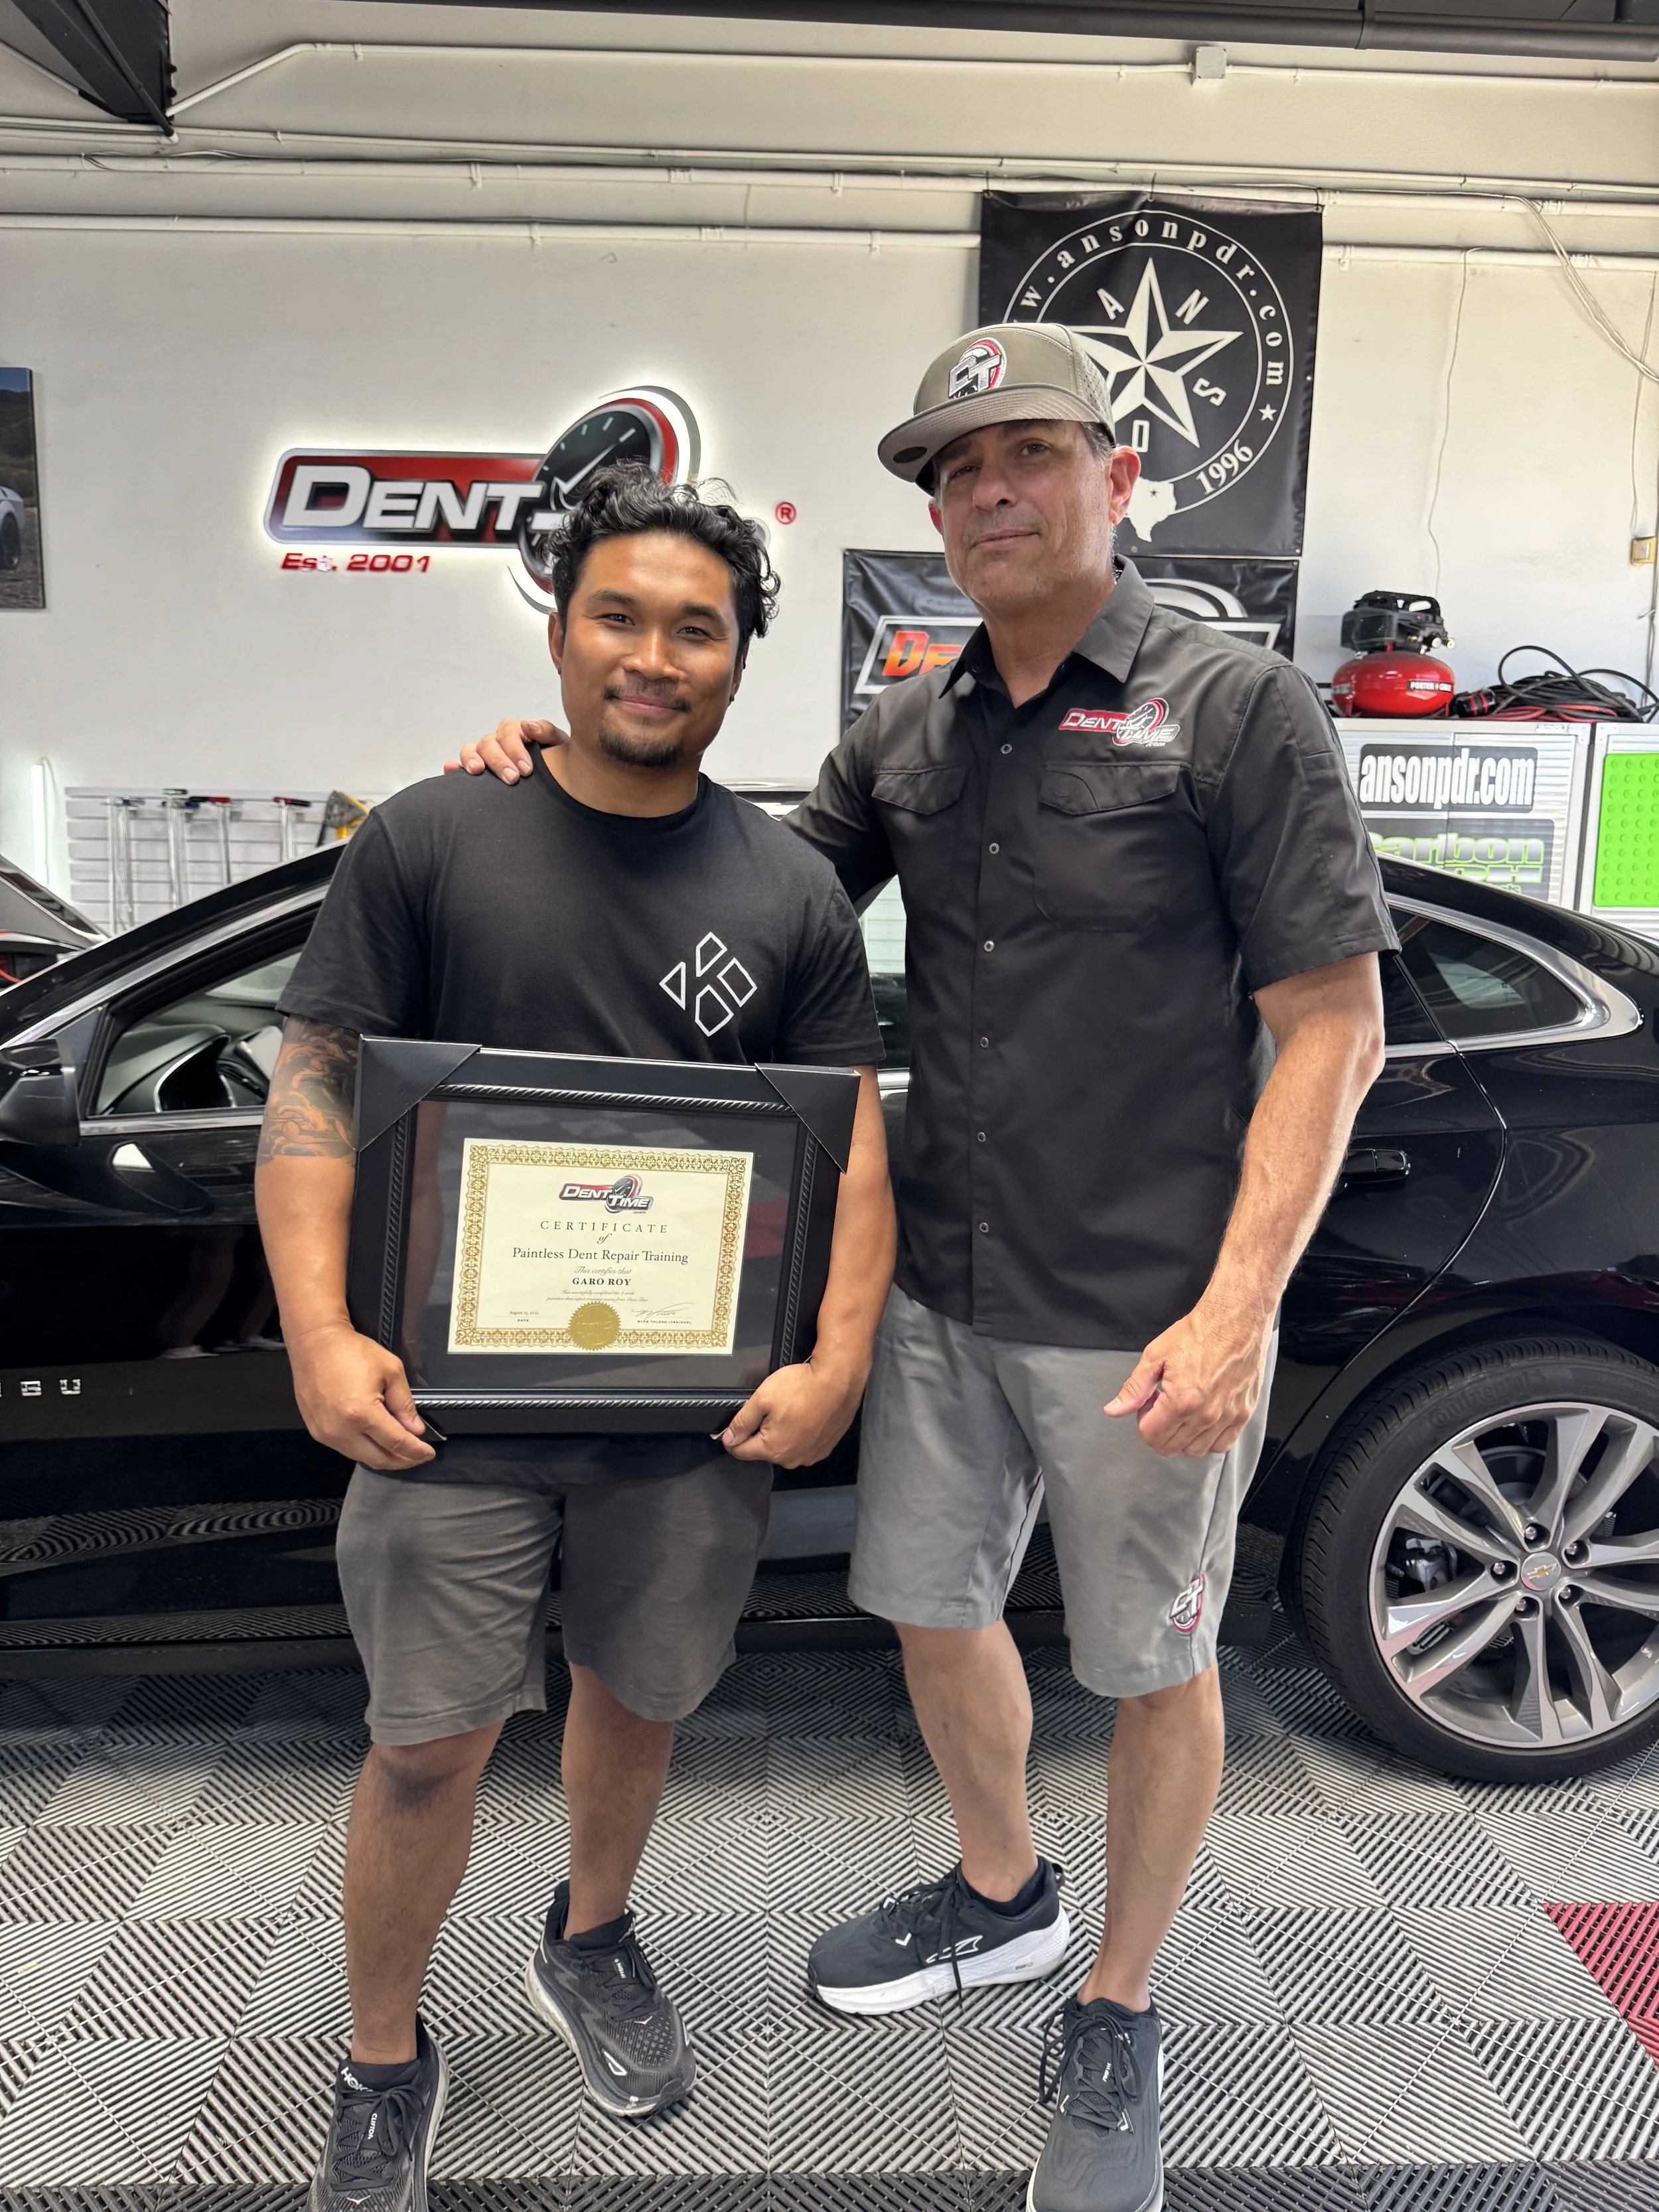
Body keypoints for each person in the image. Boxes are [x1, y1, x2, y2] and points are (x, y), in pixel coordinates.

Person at [455, 323, 1394, 2212]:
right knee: (930, 1604)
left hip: (1148, 1304)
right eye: (957, 469)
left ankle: (1119, 1999)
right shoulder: (907, 734)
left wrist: (1239, 1309)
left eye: (1027, 452)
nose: (988, 491)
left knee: (1153, 1661)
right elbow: (738, 898)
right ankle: (1001, 1889)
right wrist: (552, 780)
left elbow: (1333, 1025)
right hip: (942, 1290)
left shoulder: (1232, 711)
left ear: (1117, 476)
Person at [257, 467, 895, 2212]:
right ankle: (383, 2054)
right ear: (558, 632)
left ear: (738, 659)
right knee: (422, 1744)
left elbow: (852, 1149)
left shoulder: (790, 891)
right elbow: (315, 1084)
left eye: (696, 627)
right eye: (618, 614)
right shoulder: (430, 837)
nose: (652, 654)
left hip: (690, 1422)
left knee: (637, 1693)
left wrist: (836, 1358)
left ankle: (591, 1933)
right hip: (441, 1417)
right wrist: (316, 1334)